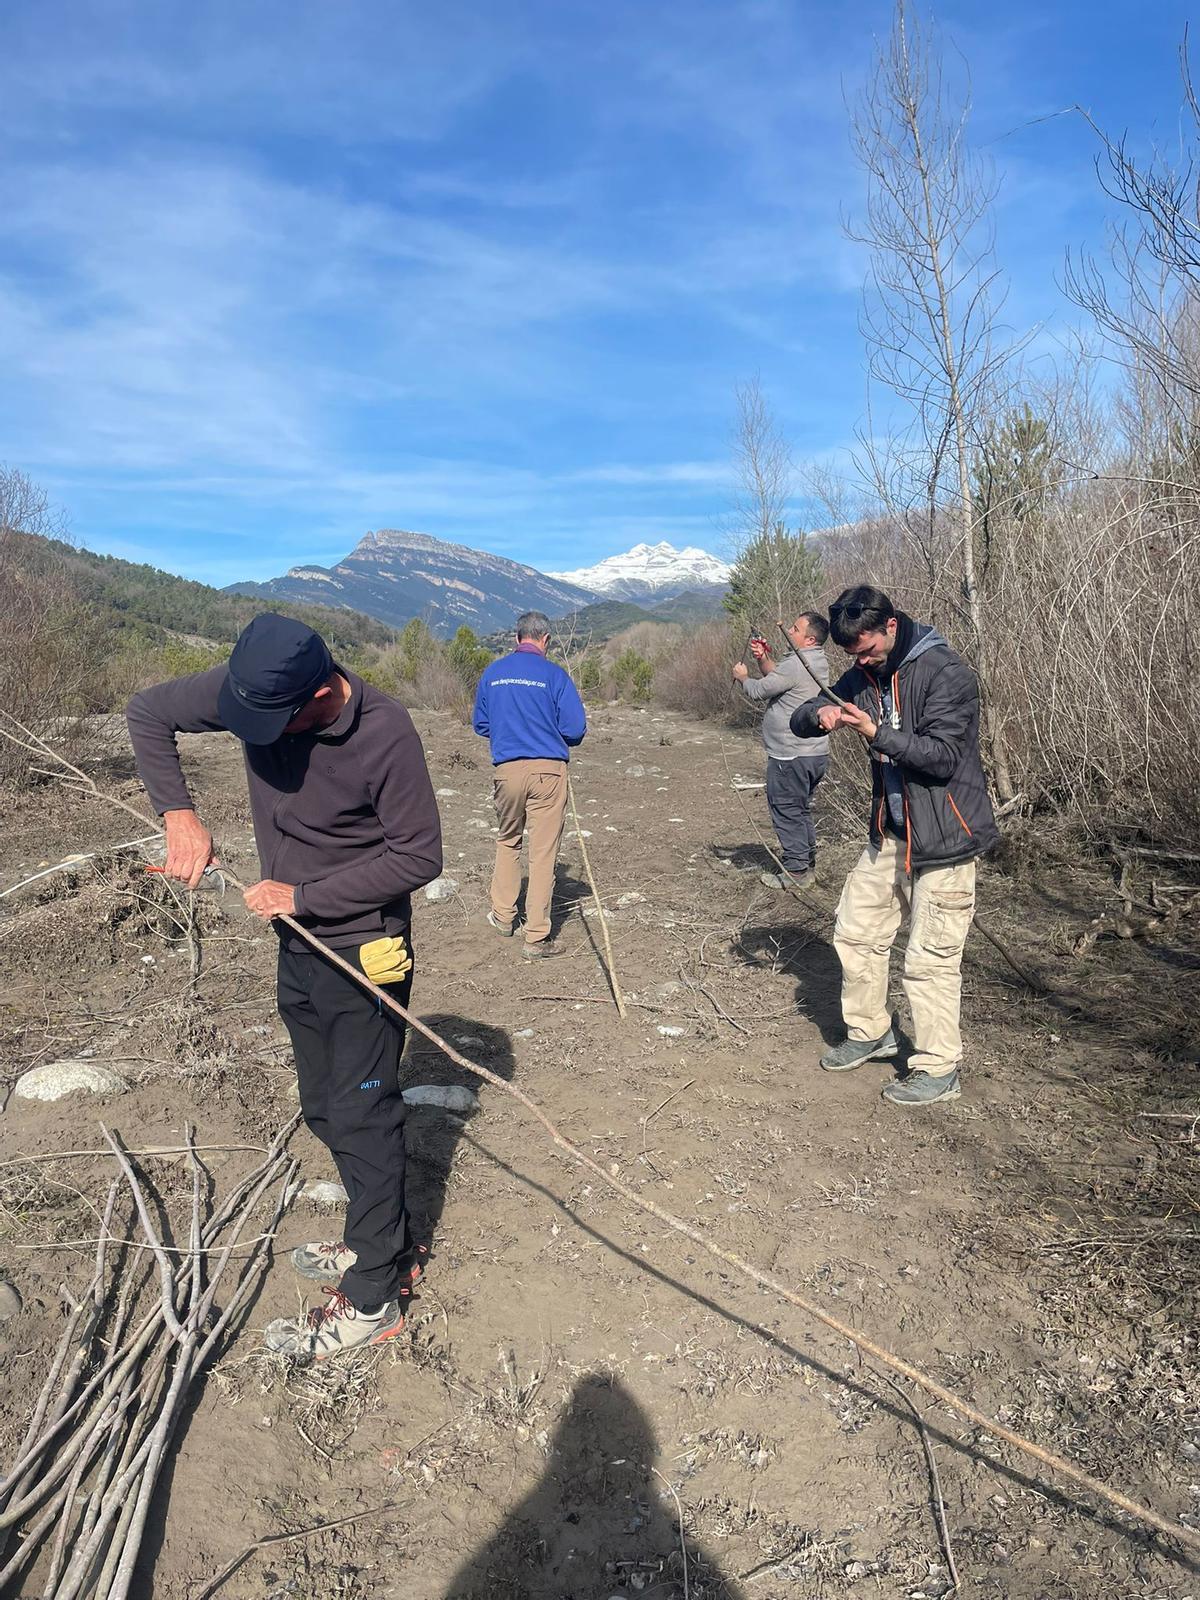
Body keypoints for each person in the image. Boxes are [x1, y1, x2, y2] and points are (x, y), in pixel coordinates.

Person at [126, 613, 443, 1358]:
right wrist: (180, 816)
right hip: (294, 943)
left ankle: (374, 1293)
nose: (254, 736)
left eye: (271, 725)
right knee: (323, 1106)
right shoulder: (253, 689)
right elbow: (147, 713)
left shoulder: (385, 734)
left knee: (363, 1114)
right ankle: (379, 1238)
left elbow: (419, 856)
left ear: (319, 693)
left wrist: (304, 896)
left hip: (362, 948)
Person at [789, 585, 998, 1106]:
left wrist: (875, 732)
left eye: (866, 650)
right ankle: (871, 1032)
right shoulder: (863, 673)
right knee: (855, 932)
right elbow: (805, 712)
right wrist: (819, 715)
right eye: (852, 655)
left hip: (946, 839)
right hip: (890, 834)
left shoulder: (946, 672)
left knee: (930, 960)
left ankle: (938, 1067)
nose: (860, 662)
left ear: (890, 626)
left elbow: (943, 757)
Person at [472, 610, 587, 959]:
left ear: (516, 637)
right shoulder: (555, 675)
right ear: (545, 639)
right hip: (549, 772)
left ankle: (503, 916)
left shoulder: (493, 673)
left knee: (508, 840)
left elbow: (481, 724)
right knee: (543, 852)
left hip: (507, 770)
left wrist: (510, 729)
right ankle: (536, 936)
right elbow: (575, 730)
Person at [732, 613, 830, 888]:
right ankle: (806, 863)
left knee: (786, 809)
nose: (789, 630)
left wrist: (742, 678)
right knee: (799, 809)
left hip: (791, 754)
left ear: (810, 639)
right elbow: (778, 678)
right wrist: (763, 658)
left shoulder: (797, 664)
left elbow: (759, 690)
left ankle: (796, 871)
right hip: (813, 753)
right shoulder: (814, 660)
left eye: (795, 629)